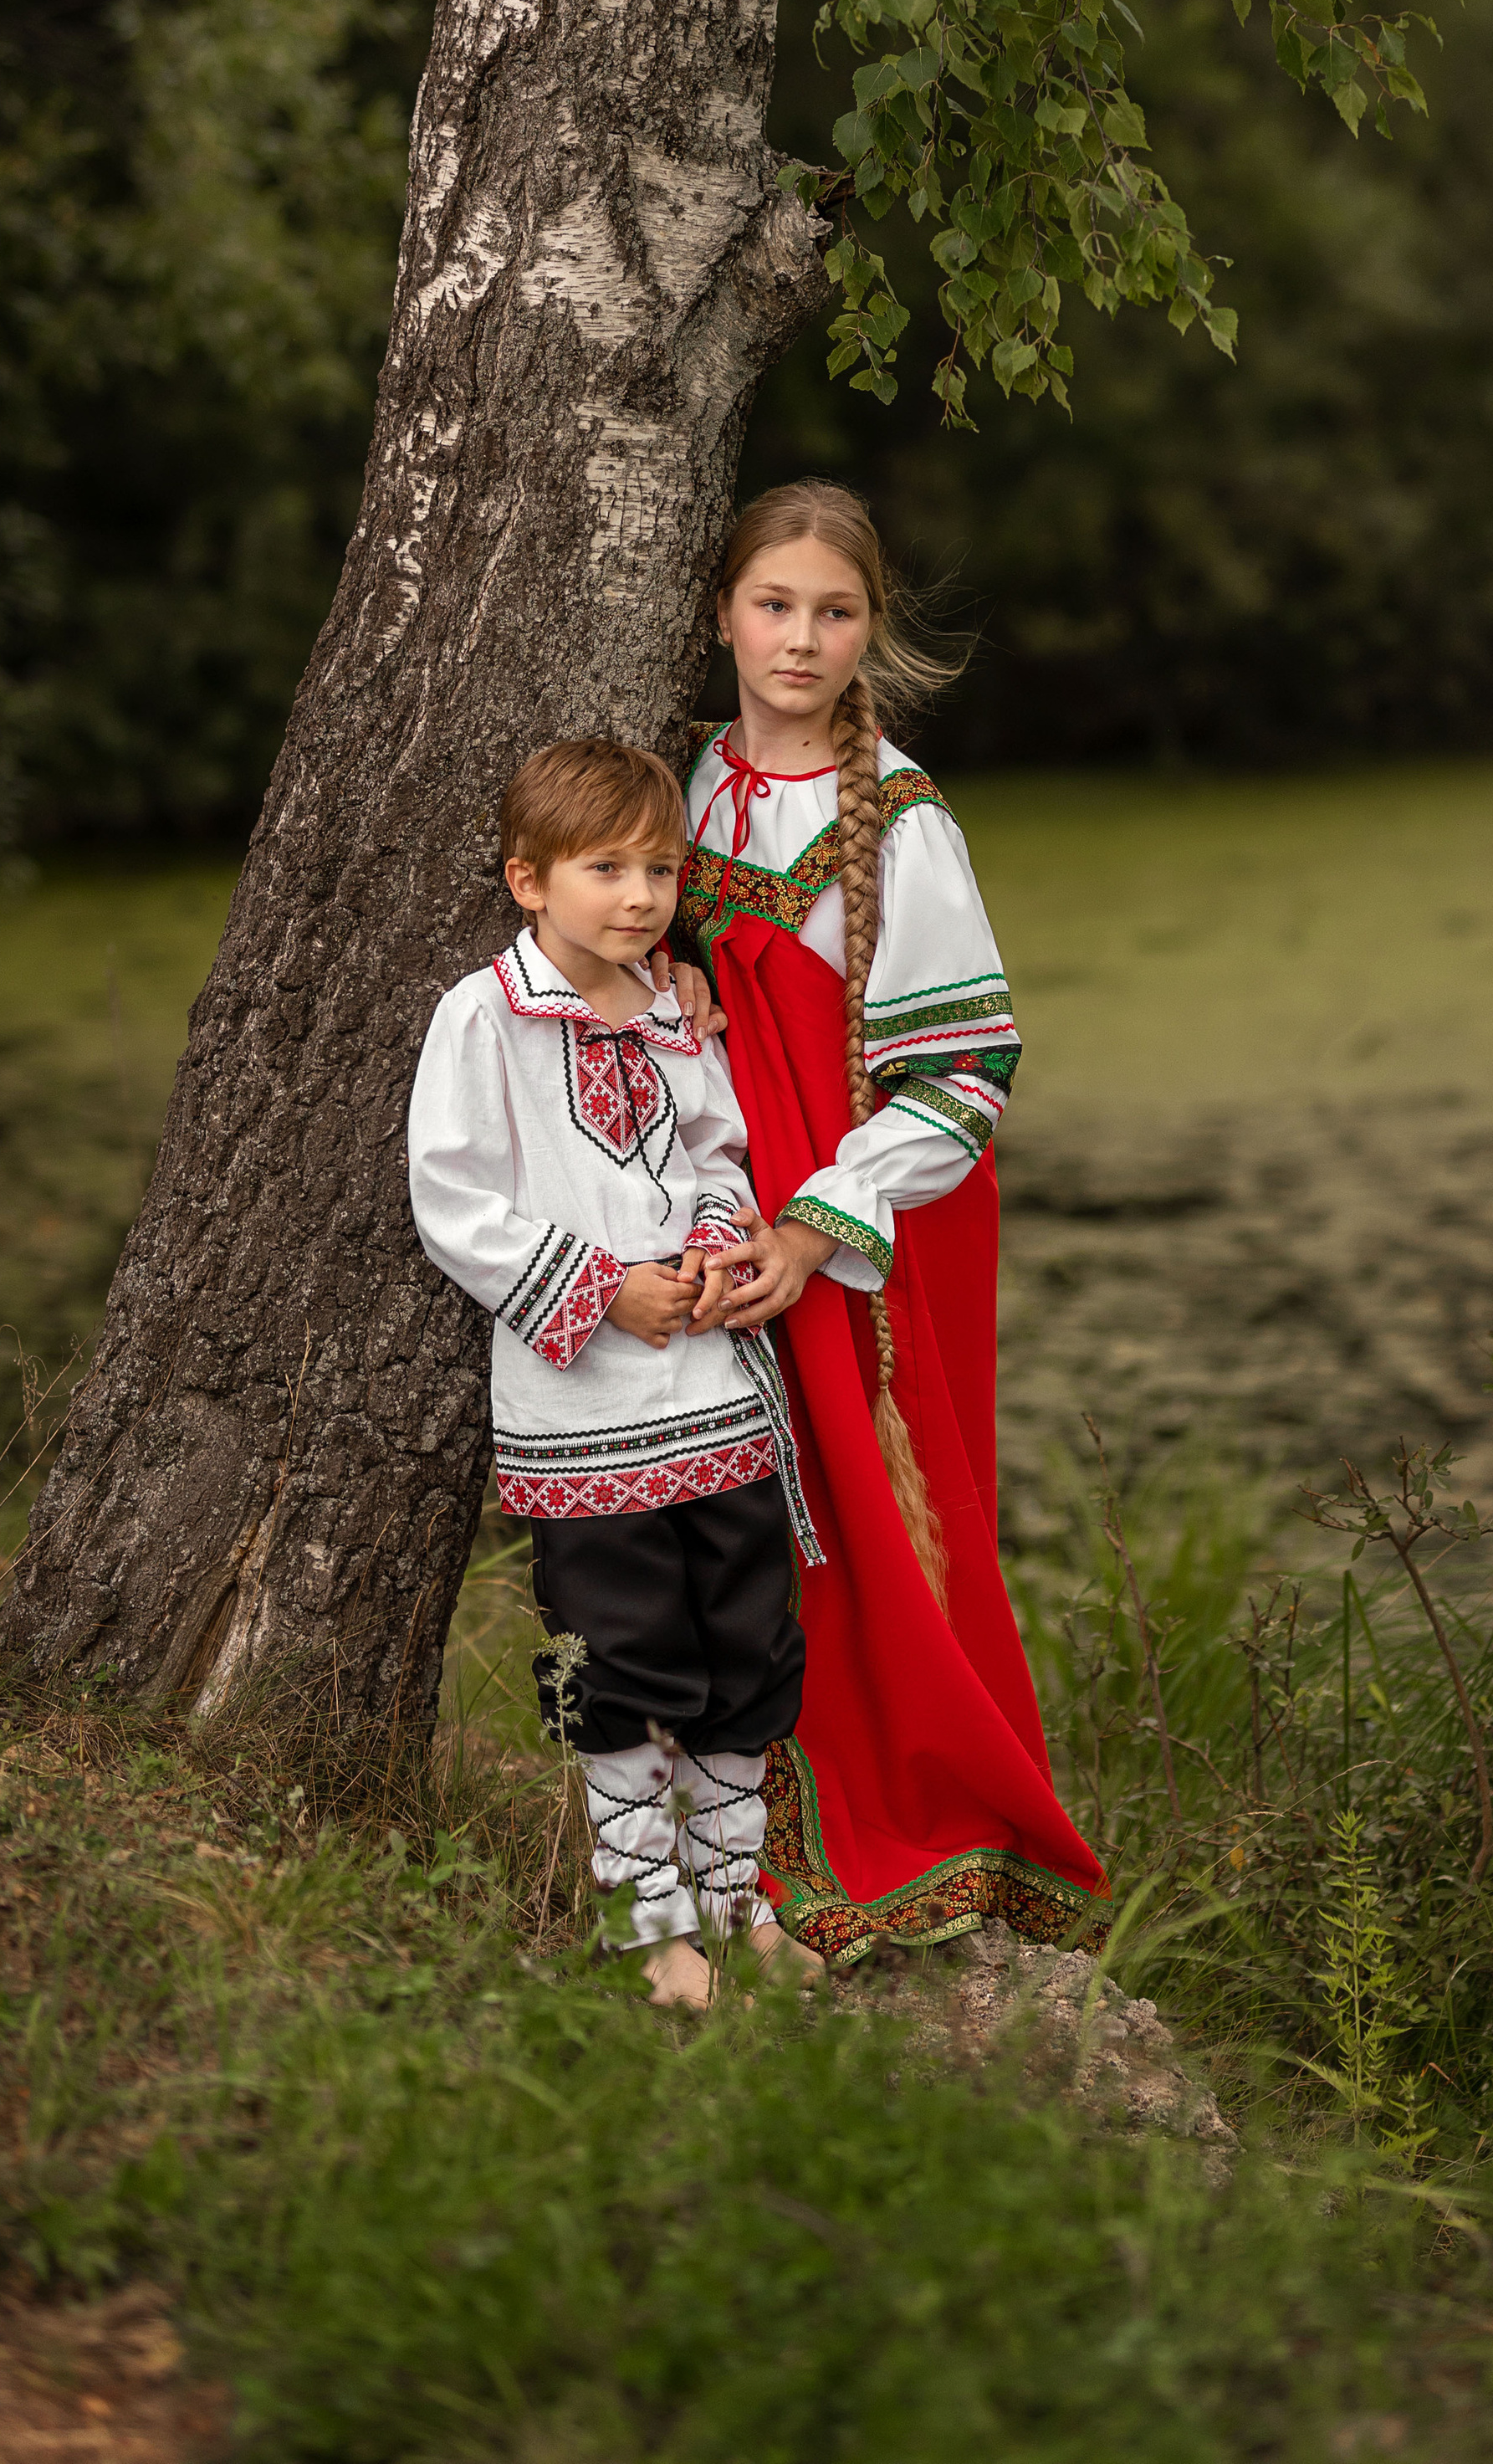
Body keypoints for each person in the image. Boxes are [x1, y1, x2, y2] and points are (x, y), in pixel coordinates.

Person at [676, 480, 1110, 1961]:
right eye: (773, 604)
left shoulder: (901, 824)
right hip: (695, 1217)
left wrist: (815, 1228)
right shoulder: (675, 790)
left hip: (836, 1238)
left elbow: (966, 1074)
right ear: (721, 610)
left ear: (875, 629)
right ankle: (703, 1820)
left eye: (835, 611)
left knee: (854, 1513)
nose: (800, 639)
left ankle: (889, 1824)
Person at [406, 736, 823, 2009]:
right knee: (626, 1660)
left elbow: (715, 1153)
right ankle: (651, 1928)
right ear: (529, 880)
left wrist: (710, 1247)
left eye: (660, 867)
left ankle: (735, 1900)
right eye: (606, 869)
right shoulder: (483, 1016)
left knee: (746, 1648)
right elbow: (453, 1198)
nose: (641, 896)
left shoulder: (674, 1009)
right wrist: (600, 1288)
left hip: (715, 1400)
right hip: (583, 1410)